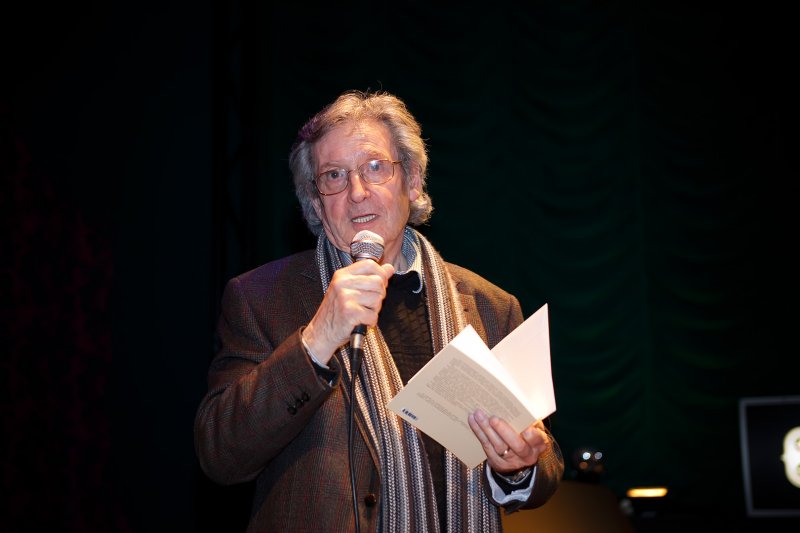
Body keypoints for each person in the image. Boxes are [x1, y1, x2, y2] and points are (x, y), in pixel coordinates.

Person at [194, 89, 564, 532]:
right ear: (316, 203)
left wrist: (519, 467)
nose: (357, 192)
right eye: (334, 175)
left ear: (412, 181)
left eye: (374, 167)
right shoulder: (261, 298)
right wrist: (316, 340)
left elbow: (544, 462)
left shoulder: (490, 305)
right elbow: (221, 455)